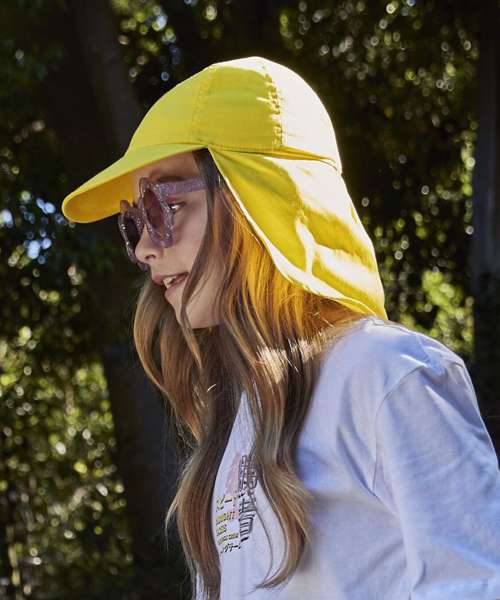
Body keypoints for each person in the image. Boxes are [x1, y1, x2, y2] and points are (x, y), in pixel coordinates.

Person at [61, 56, 500, 600]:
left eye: (163, 205)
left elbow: (477, 583)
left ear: (258, 197)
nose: (146, 246)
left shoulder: (388, 374)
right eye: (133, 221)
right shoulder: (237, 420)